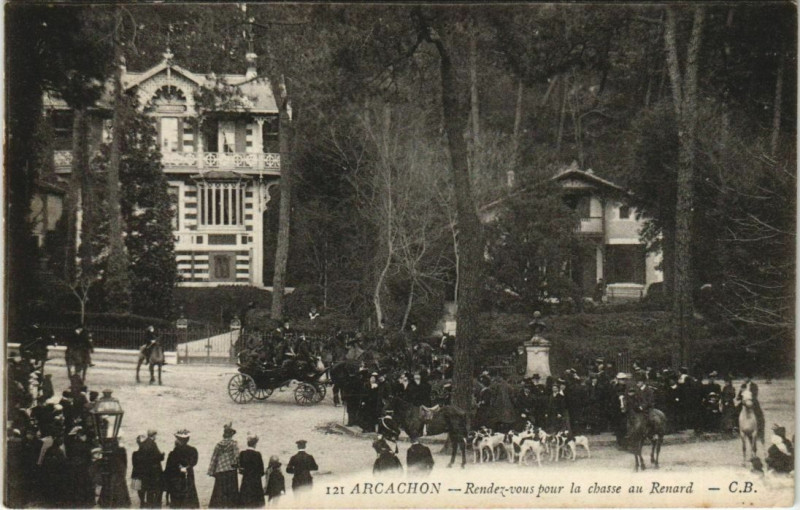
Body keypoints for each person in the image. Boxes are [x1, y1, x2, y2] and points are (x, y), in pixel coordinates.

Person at [163, 429, 199, 508]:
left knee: (177, 503)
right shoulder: (193, 450)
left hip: (176, 481)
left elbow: (168, 469)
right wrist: (187, 467)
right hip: (188, 478)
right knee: (189, 500)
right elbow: (194, 462)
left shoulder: (173, 454)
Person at [208, 423, 240, 508]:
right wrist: (239, 467)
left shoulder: (218, 444)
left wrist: (211, 471)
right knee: (231, 493)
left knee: (219, 492)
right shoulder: (233, 444)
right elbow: (237, 457)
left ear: (224, 434)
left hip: (220, 469)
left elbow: (214, 458)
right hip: (231, 469)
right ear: (231, 434)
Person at [139, 429, 164, 508]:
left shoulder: (142, 444)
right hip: (154, 471)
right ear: (153, 435)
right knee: (156, 489)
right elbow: (158, 457)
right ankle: (155, 505)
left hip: (145, 471)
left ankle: (148, 504)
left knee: (149, 489)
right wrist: (162, 455)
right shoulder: (153, 444)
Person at [238, 434, 265, 508]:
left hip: (246, 481)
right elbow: (262, 471)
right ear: (255, 444)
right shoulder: (258, 455)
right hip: (256, 482)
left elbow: (240, 470)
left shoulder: (242, 454)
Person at [738, 373, 765, 444]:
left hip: (752, 402)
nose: (744, 379)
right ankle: (737, 427)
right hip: (744, 403)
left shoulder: (754, 386)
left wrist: (749, 401)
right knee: (735, 411)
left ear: (749, 378)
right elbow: (739, 395)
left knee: (759, 414)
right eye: (744, 378)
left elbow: (755, 395)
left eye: (746, 377)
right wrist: (740, 398)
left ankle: (759, 428)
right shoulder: (743, 385)